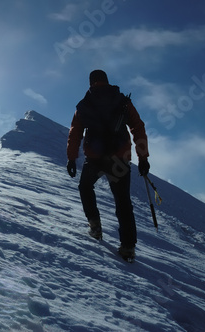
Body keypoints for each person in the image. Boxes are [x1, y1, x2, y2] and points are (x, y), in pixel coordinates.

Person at [66, 69, 150, 261]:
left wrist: (71, 158)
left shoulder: (83, 105)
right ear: (106, 81)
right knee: (123, 202)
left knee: (85, 187)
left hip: (95, 159)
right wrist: (143, 158)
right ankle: (128, 248)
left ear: (91, 83)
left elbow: (75, 133)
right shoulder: (122, 101)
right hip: (119, 159)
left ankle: (95, 226)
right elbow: (138, 127)